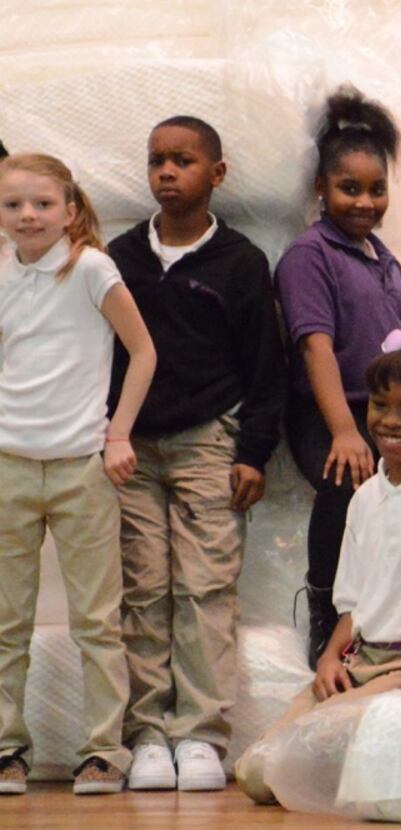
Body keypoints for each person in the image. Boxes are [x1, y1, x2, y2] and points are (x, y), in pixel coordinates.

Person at [107, 115, 287, 792]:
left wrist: (253, 452)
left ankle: (202, 736)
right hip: (130, 447)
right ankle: (148, 733)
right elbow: (99, 354)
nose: (166, 172)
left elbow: (266, 365)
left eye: (183, 160)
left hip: (209, 441)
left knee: (206, 587)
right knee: (143, 588)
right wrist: (107, 433)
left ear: (217, 174)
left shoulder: (241, 262)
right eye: (157, 160)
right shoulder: (119, 258)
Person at [232, 317, 401, 806]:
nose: (392, 421)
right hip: (364, 661)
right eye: (380, 406)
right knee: (255, 773)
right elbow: (353, 604)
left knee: (320, 753)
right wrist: (330, 658)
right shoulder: (364, 497)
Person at [0, 153, 157, 794]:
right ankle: (8, 749)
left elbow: (143, 351)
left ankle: (104, 751)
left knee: (97, 619)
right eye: (13, 205)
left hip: (81, 469)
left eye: (42, 203)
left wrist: (117, 433)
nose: (28, 215)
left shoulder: (91, 268)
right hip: (9, 467)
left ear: (69, 209)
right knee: (8, 621)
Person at [277, 86, 401, 666]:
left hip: (384, 409)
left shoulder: (385, 259)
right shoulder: (310, 255)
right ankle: (326, 612)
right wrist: (343, 430)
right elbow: (316, 348)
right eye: (348, 188)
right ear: (321, 189)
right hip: (327, 410)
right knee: (345, 479)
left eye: (376, 189)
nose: (364, 201)